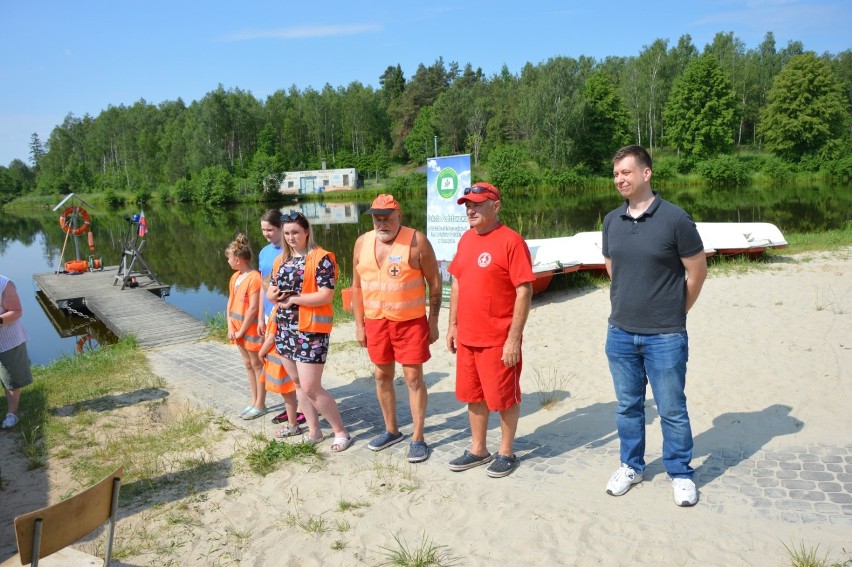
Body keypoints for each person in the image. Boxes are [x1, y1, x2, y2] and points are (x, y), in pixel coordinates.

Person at [602, 145, 707, 507]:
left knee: (671, 408)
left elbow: (697, 271)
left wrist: (677, 312)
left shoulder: (676, 219)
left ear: (646, 173)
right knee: (628, 406)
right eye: (616, 174)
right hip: (620, 333)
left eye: (626, 172)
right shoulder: (611, 220)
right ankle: (631, 465)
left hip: (665, 335)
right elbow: (611, 265)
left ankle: (680, 472)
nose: (619, 179)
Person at [446, 182, 535, 478]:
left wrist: (513, 338)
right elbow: (457, 281)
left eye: (477, 204)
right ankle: (478, 449)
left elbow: (524, 291)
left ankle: (507, 452)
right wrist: (453, 325)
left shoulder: (511, 241)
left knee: (504, 396)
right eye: (467, 205)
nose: (470, 210)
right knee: (474, 395)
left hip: (498, 338)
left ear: (495, 206)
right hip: (468, 336)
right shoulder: (466, 239)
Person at [351, 194, 442, 463]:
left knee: (414, 379)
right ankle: (392, 430)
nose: (381, 223)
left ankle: (418, 437)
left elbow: (434, 283)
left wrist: (433, 322)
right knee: (381, 376)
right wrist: (359, 324)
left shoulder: (417, 241)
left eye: (387, 217)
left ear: (398, 215)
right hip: (376, 322)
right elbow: (356, 286)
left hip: (410, 322)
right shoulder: (362, 242)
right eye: (377, 218)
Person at [266, 211, 352, 452]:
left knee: (312, 387)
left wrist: (293, 299)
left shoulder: (322, 258)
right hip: (284, 328)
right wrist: (275, 295)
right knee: (297, 383)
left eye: (295, 232)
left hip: (310, 330)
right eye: (286, 233)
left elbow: (326, 295)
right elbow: (270, 291)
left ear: (306, 232)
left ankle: (340, 431)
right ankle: (314, 431)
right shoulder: (281, 260)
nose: (291, 237)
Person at [258, 209, 304, 426]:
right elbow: (262, 286)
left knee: (296, 367)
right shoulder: (264, 252)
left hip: (289, 315)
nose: (266, 234)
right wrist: (260, 316)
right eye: (263, 230)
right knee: (280, 366)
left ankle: (302, 409)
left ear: (280, 228)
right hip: (271, 313)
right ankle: (291, 407)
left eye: (270, 230)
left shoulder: (291, 252)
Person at [225, 234, 266, 420]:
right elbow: (230, 302)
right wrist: (230, 326)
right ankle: (253, 400)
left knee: (257, 364)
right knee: (248, 364)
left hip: (249, 330)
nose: (227, 261)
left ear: (238, 260)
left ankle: (260, 404)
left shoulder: (254, 278)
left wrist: (242, 330)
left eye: (229, 258)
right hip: (237, 328)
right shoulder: (235, 277)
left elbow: (253, 307)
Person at [258, 305, 302, 439]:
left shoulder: (278, 310)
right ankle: (295, 420)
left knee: (287, 393)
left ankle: (292, 424)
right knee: (293, 391)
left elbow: (271, 338)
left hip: (279, 359)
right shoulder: (285, 308)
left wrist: (261, 353)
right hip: (285, 355)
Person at [1, 275, 34, 429]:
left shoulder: (3, 284)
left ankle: (12, 414)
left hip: (7, 340)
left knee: (11, 380)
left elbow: (16, 311)